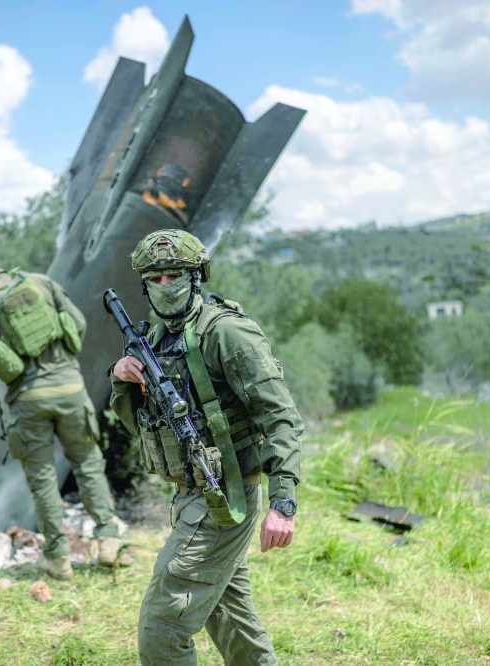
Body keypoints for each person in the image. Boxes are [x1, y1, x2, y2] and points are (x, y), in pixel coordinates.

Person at [109, 231, 302, 665]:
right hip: (191, 495)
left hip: (225, 497)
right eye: (154, 277)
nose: (165, 285)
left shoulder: (227, 333)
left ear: (196, 276)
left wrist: (283, 502)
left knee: (163, 622)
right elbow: (139, 425)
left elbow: (282, 419)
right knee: (230, 619)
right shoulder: (155, 339)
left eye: (174, 273)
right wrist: (121, 377)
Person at [0, 251, 121, 580]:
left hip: (27, 401)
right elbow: (78, 323)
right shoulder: (40, 282)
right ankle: (108, 542)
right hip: (71, 390)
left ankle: (58, 559)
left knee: (43, 478)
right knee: (88, 462)